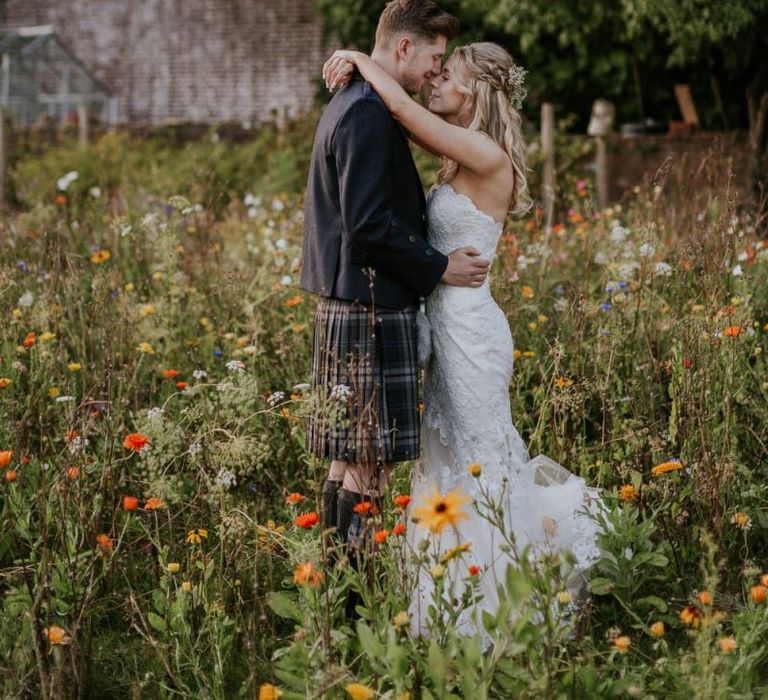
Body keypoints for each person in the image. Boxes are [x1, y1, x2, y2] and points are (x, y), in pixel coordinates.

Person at [323, 41, 603, 640]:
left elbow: (399, 107)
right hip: (441, 329)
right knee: (444, 464)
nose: (435, 82)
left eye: (447, 75)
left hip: (471, 333)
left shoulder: (485, 152)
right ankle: (449, 601)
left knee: (481, 461)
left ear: (475, 91)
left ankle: (506, 608)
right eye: (436, 71)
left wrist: (358, 57)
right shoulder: (457, 160)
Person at [300, 0, 490, 557]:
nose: (437, 69)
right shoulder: (365, 112)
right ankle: (354, 608)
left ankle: (336, 602)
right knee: (368, 468)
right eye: (435, 56)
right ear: (404, 48)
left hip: (352, 303)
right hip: (372, 308)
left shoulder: (357, 101)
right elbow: (367, 224)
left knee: (347, 463)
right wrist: (440, 267)